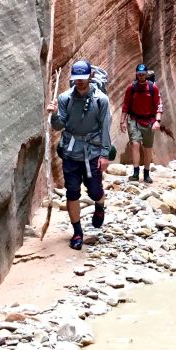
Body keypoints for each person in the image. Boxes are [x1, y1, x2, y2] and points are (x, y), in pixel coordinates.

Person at [48, 60, 112, 250]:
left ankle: (99, 205)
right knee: (72, 192)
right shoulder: (64, 98)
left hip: (92, 152)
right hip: (70, 152)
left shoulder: (101, 100)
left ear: (90, 77)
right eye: (77, 79)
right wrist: (54, 115)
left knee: (94, 191)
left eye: (83, 79)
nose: (80, 82)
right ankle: (77, 232)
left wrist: (105, 155)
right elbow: (58, 126)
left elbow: (105, 128)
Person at [121, 63, 163, 183]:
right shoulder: (131, 88)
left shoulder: (152, 88)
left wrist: (157, 121)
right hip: (134, 119)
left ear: (146, 74)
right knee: (135, 144)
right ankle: (135, 173)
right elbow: (126, 105)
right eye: (139, 74)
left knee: (147, 148)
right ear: (136, 74)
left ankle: (146, 173)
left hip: (149, 120)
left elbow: (159, 105)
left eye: (143, 74)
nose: (141, 76)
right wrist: (122, 121)